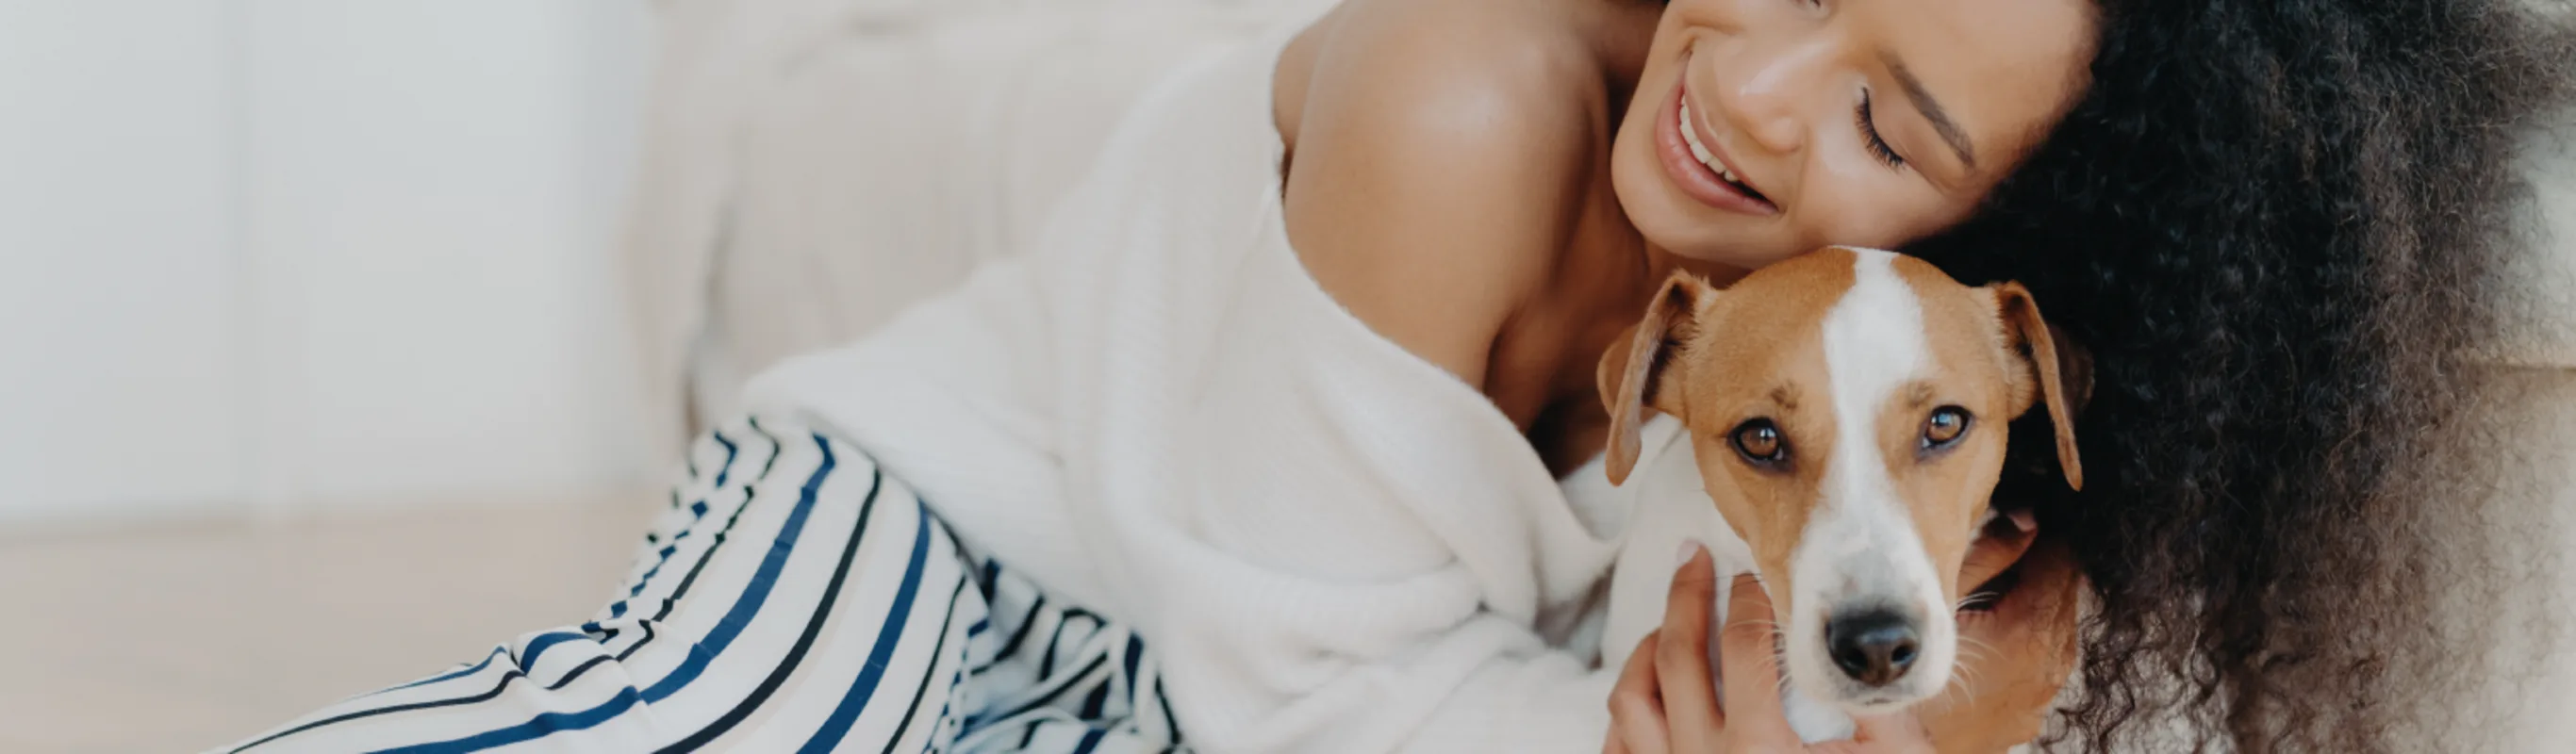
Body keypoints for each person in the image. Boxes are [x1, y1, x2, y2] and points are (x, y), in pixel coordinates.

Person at [221, 0, 2571, 751]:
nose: (1752, 90)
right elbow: (1320, 695)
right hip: (950, 527)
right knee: (653, 727)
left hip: (1185, 689)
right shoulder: (1460, 99)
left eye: (1883, 125)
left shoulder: (1885, 376)